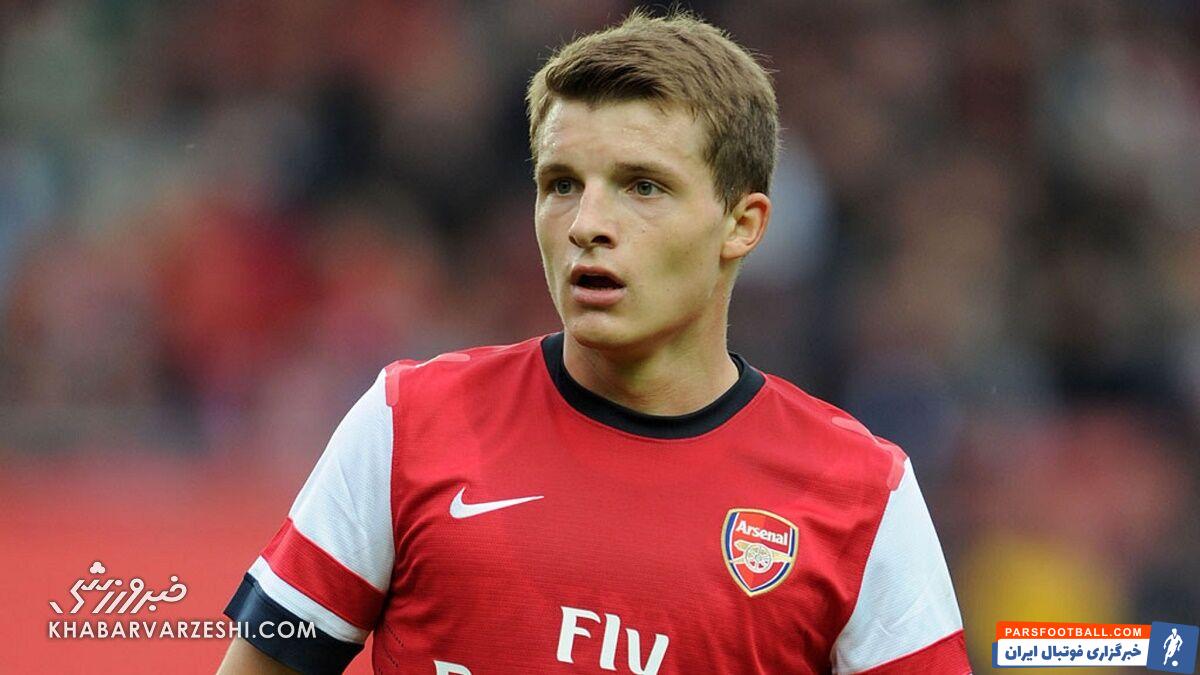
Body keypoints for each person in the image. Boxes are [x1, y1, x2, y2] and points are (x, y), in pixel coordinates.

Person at [217, 9, 970, 674]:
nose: (586, 224)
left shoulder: (861, 494)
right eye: (562, 184)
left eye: (643, 186)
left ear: (742, 224)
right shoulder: (408, 421)